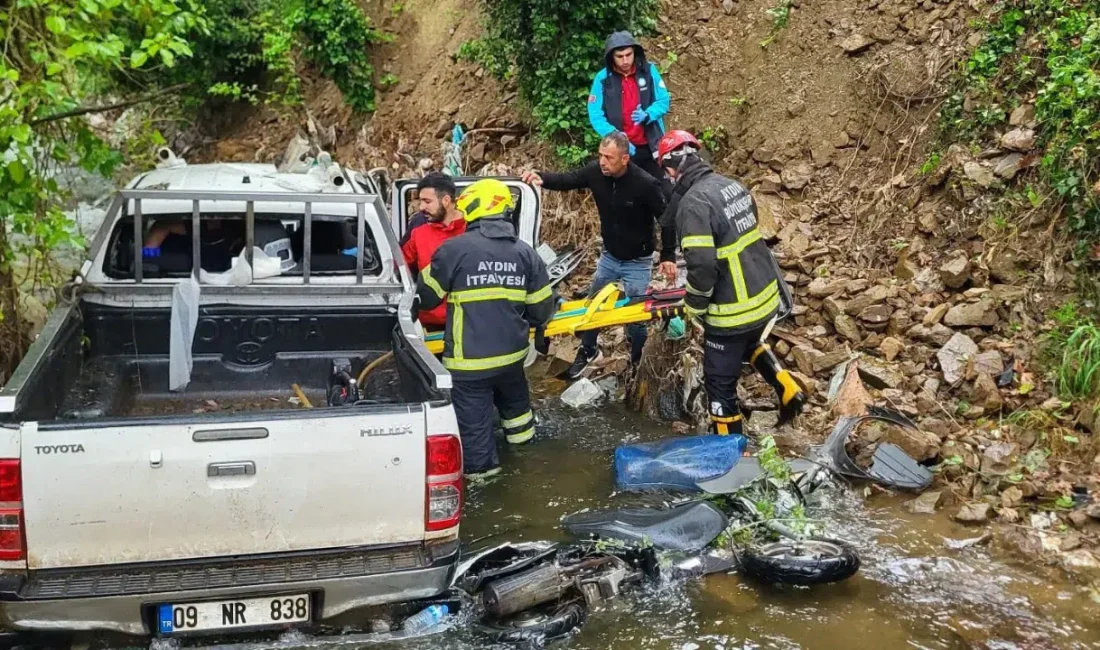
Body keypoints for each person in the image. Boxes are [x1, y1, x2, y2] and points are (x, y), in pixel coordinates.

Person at [656, 130, 805, 435]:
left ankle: (730, 453)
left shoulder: (694, 205)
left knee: (719, 385)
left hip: (733, 309)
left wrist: (693, 307)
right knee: (751, 342)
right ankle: (789, 389)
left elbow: (702, 266)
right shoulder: (731, 187)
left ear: (672, 168)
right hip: (763, 296)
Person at [416, 178, 556, 479]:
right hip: (512, 361)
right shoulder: (525, 253)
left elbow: (425, 298)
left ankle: (486, 486)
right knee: (519, 423)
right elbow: (543, 310)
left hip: (469, 367)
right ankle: (527, 467)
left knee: (476, 437)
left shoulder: (453, 249)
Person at [522, 132, 675, 378]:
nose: (603, 161)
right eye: (601, 155)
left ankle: (637, 362)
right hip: (610, 257)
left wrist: (668, 256)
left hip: (638, 260)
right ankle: (589, 350)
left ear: (625, 159)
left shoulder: (645, 183)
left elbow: (667, 221)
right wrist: (540, 177)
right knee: (593, 307)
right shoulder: (596, 173)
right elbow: (566, 180)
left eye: (609, 157)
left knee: (635, 317)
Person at [588, 31, 671, 186]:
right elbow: (595, 114)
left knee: (662, 191)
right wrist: (614, 134)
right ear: (611, 56)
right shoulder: (603, 79)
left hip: (651, 144)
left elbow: (663, 100)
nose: (625, 60)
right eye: (620, 56)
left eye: (629, 54)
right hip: (622, 150)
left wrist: (648, 114)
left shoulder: (649, 71)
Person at [401, 173, 466, 328]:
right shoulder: (418, 231)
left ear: (446, 201)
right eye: (420, 201)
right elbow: (399, 266)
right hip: (430, 325)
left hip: (468, 323)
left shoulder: (472, 228)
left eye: (427, 201)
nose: (422, 207)